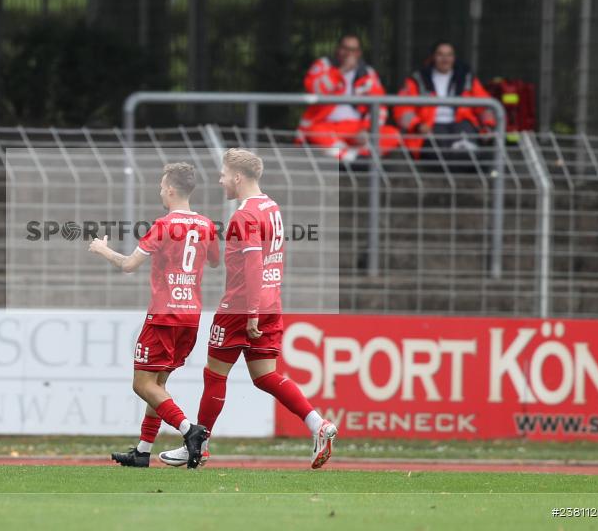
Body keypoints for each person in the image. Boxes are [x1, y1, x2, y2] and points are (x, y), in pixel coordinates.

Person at [159, 149, 337, 469]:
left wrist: (251, 311)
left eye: (224, 174)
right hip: (271, 301)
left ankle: (198, 445)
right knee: (265, 375)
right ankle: (318, 425)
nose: (221, 180)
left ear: (238, 177)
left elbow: (254, 262)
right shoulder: (271, 207)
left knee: (215, 375)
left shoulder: (244, 215)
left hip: (242, 306)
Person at [89, 163, 218, 469]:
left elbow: (129, 265)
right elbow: (214, 262)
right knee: (158, 384)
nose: (160, 191)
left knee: (142, 384)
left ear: (171, 190)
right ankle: (143, 451)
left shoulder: (163, 225)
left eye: (162, 187)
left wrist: (102, 250)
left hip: (164, 314)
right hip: (190, 316)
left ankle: (190, 431)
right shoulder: (207, 224)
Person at [297, 33, 401, 165]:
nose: (348, 53)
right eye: (345, 48)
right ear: (337, 49)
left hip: (358, 128)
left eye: (353, 50)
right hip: (327, 127)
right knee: (314, 132)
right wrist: (342, 71)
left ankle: (347, 156)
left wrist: (367, 130)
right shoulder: (324, 65)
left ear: (359, 53)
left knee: (392, 134)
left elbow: (380, 107)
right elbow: (315, 89)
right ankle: (357, 159)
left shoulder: (367, 73)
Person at [394, 40, 497, 165]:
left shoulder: (466, 78)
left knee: (468, 151)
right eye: (440, 54)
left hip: (462, 125)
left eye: (449, 55)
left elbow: (484, 104)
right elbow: (402, 108)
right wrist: (418, 125)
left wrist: (487, 125)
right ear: (433, 57)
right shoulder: (418, 79)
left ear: (454, 58)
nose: (445, 59)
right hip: (429, 127)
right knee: (438, 154)